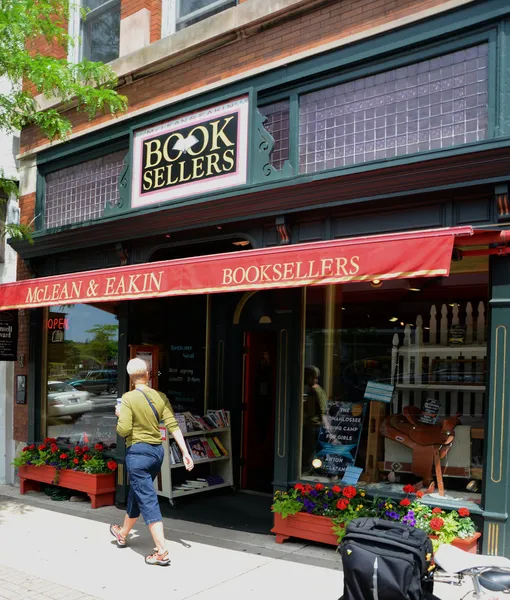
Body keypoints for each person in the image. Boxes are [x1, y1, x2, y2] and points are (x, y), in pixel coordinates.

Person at [110, 358, 193, 566]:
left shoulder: (128, 399)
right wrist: (185, 452)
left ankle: (162, 551)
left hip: (137, 454)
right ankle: (122, 533)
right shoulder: (161, 397)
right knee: (137, 493)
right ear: (148, 374)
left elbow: (123, 430)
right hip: (157, 454)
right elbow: (173, 425)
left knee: (146, 498)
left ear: (131, 378)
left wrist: (120, 415)